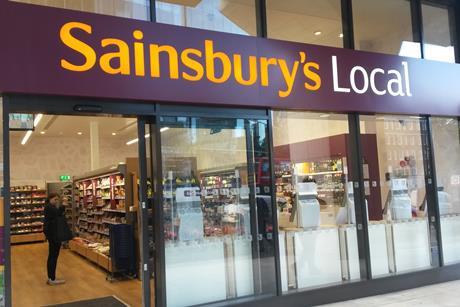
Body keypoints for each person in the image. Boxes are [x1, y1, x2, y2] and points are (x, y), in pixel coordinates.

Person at [44, 193, 66, 285]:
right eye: (55, 199)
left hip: (52, 234)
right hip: (54, 235)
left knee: (52, 256)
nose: (56, 201)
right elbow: (58, 214)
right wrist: (63, 205)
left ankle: (50, 278)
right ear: (50, 199)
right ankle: (52, 279)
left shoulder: (49, 207)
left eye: (57, 199)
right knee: (53, 256)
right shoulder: (49, 207)